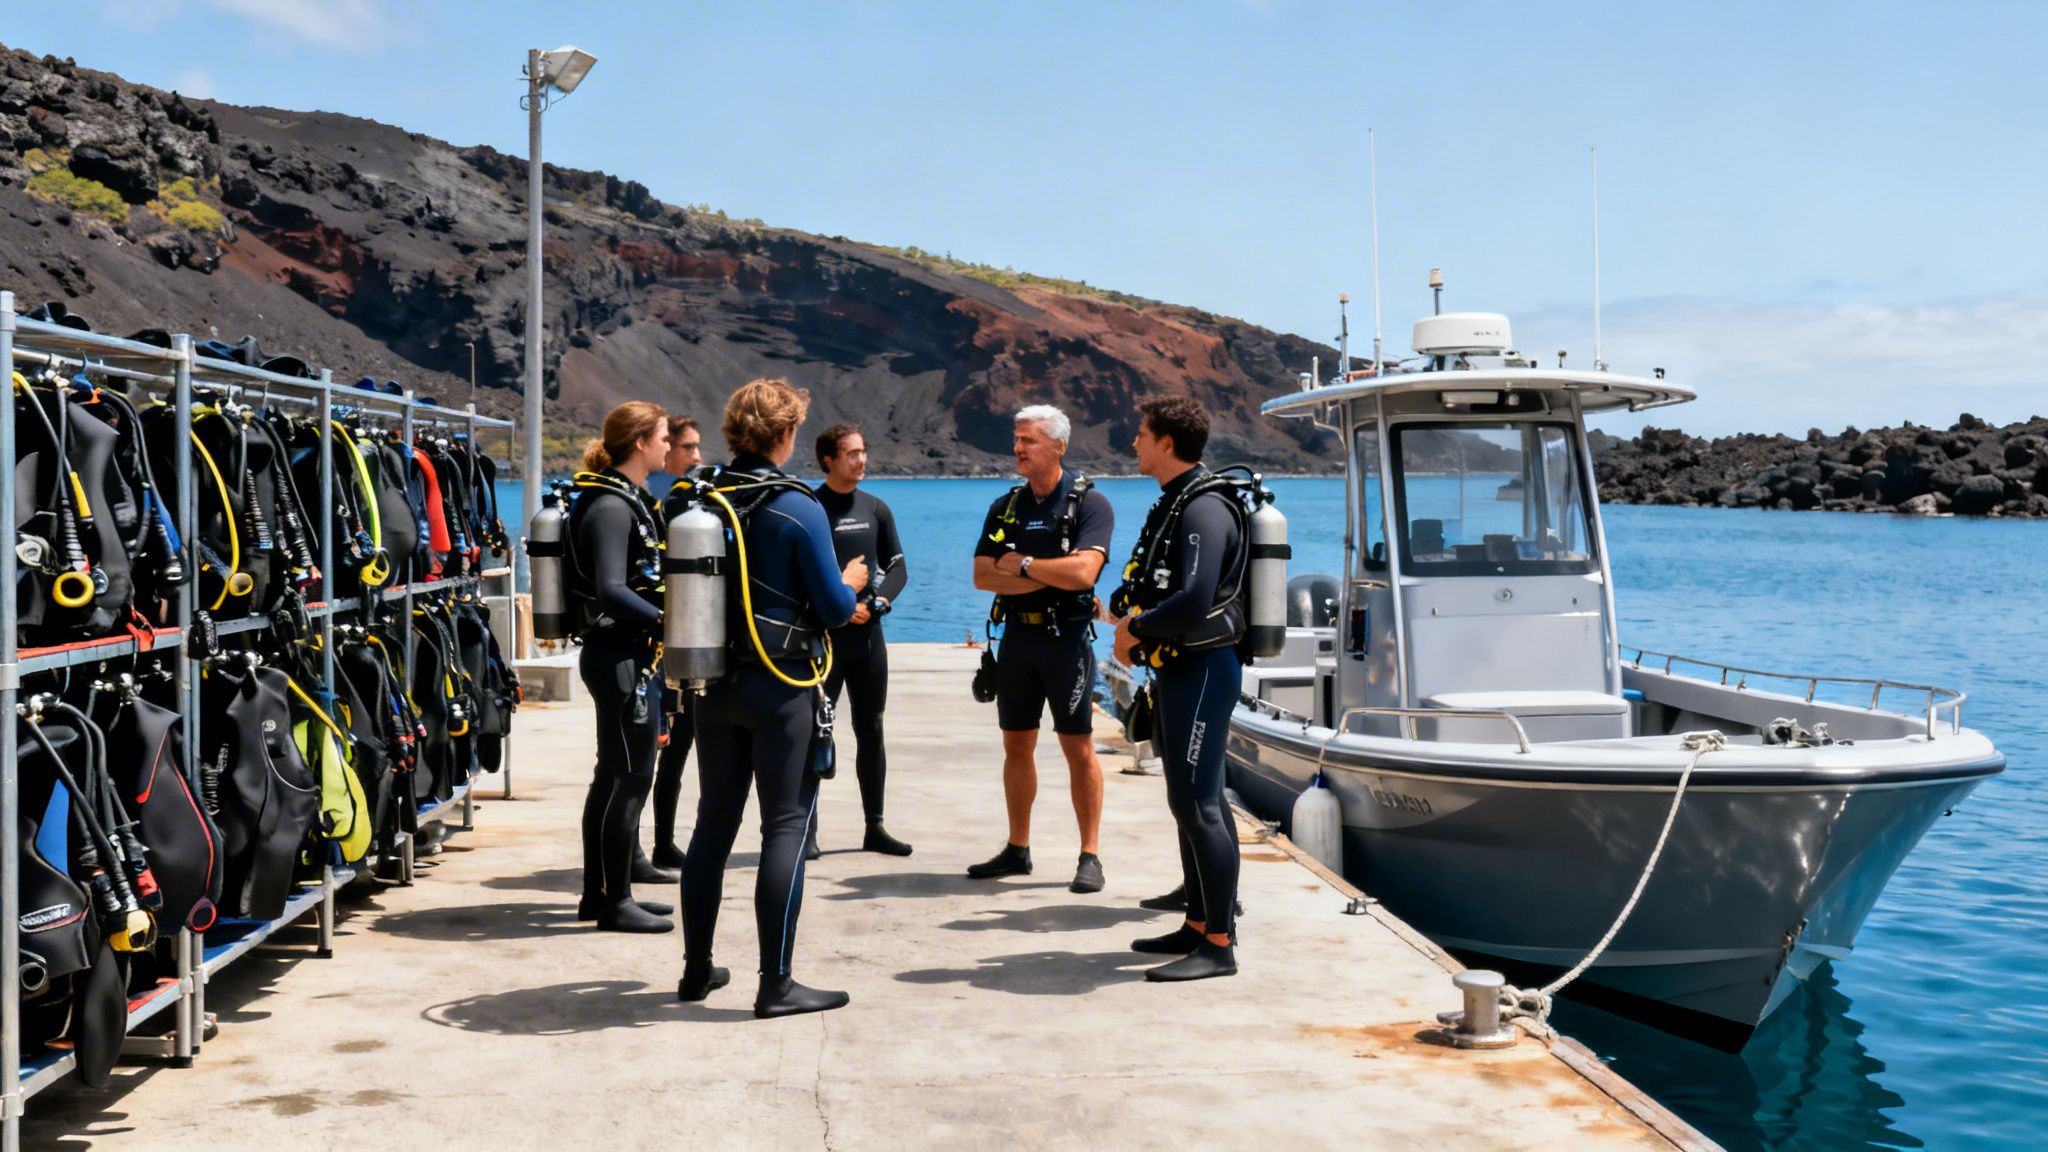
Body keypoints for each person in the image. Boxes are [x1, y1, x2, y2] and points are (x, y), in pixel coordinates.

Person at [678, 378, 868, 1017]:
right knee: (785, 824)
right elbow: (837, 612)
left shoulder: (702, 498)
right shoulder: (798, 506)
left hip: (713, 685)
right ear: (787, 435)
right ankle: (776, 984)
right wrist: (848, 581)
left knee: (713, 824)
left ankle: (697, 970)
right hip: (780, 687)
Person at [1109, 396, 1247, 981]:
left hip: (1204, 669)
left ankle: (1219, 944)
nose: (1134, 442)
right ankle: (1197, 922)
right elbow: (1162, 582)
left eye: (1141, 434)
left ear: (1167, 442)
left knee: (1200, 804)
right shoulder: (1177, 502)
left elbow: (1193, 599)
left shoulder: (1204, 508)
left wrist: (1134, 629)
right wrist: (1128, 609)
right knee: (1190, 800)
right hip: (1180, 669)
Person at [967, 405, 1114, 894]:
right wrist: (1049, 572)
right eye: (1017, 439)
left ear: (1058, 446)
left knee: (1077, 746)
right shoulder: (1006, 506)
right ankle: (1017, 848)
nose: (1018, 448)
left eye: (1028, 440)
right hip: (1017, 641)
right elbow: (982, 576)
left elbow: (1083, 575)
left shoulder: (1090, 505)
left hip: (1065, 641)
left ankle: (1089, 854)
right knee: (1016, 743)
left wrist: (1023, 566)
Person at [565, 401, 675, 934]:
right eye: (662, 437)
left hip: (626, 655)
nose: (669, 446)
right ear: (639, 443)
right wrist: (668, 619)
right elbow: (610, 588)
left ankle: (599, 892)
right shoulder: (611, 507)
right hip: (620, 657)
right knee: (630, 777)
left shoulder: (625, 500)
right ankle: (615, 902)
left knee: (612, 774)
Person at [813, 423, 913, 857]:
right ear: (829, 460)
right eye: (851, 453)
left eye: (863, 451)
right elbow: (802, 576)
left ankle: (875, 826)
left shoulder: (876, 508)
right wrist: (837, 603)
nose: (861, 459)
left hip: (868, 637)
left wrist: (878, 605)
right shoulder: (812, 508)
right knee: (815, 731)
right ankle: (806, 831)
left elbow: (898, 569)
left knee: (871, 728)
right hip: (826, 639)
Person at [649, 414, 705, 870]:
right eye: (688, 448)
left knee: (683, 748)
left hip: (692, 641)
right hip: (674, 649)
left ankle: (666, 840)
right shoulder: (674, 507)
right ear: (667, 452)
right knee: (672, 749)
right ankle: (661, 840)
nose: (697, 457)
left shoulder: (685, 505)